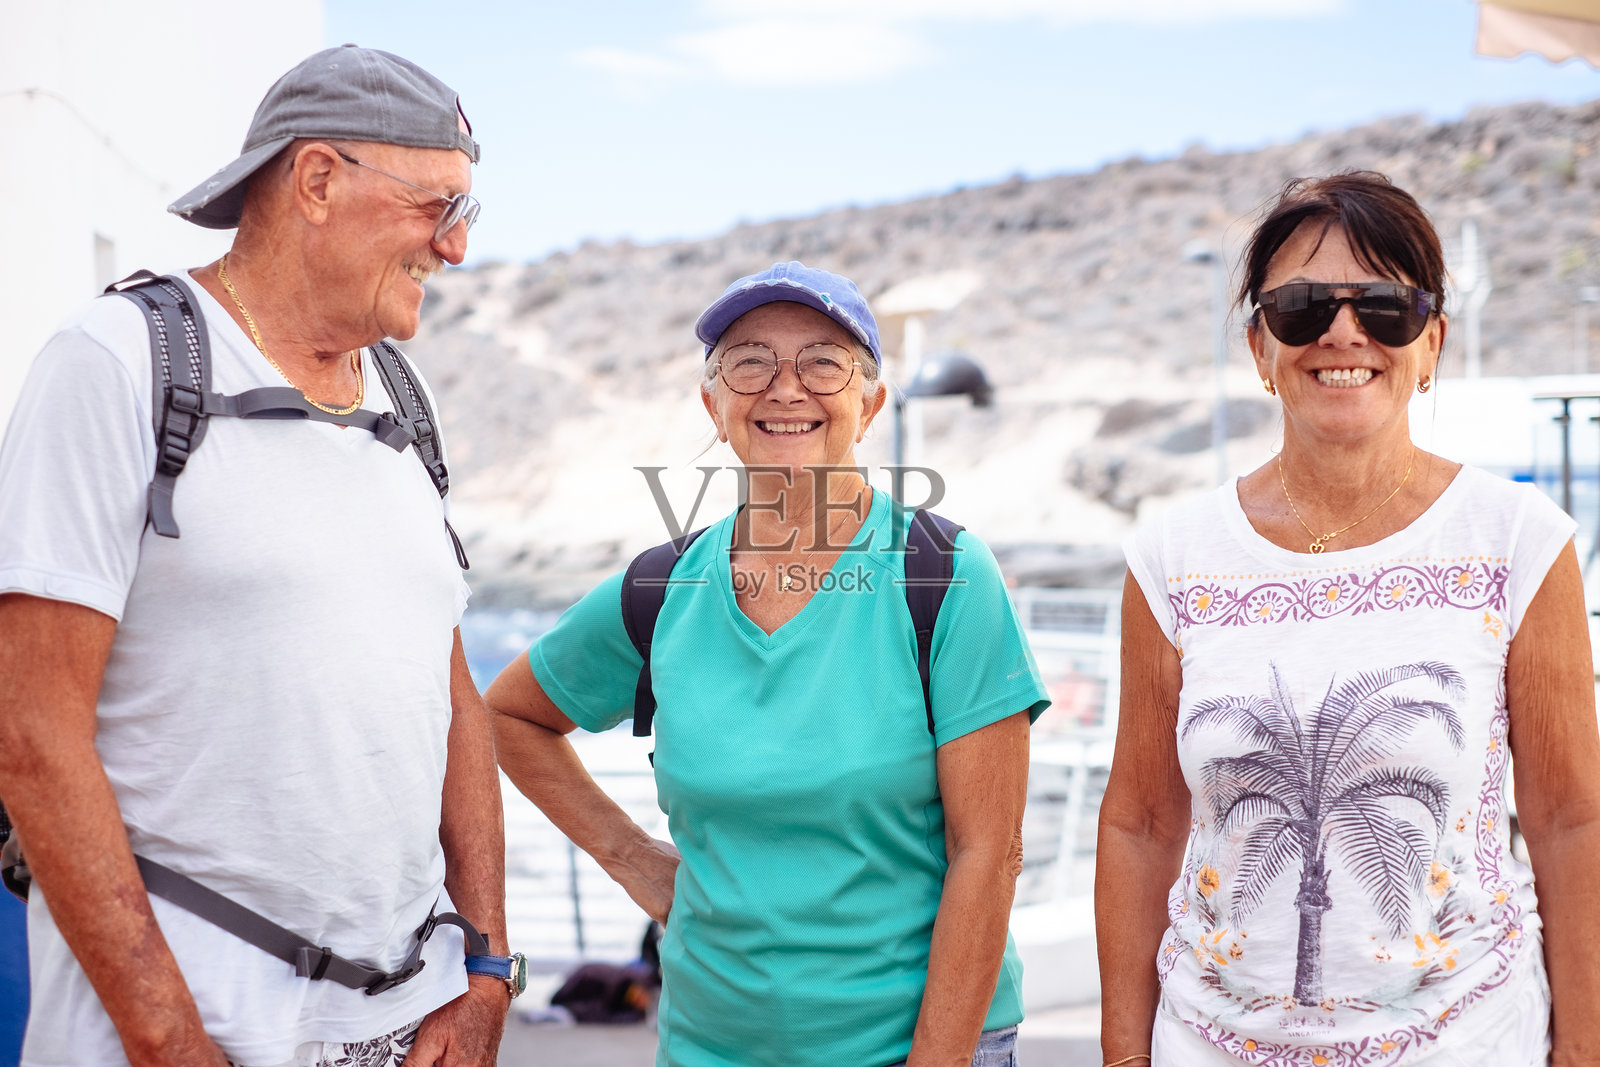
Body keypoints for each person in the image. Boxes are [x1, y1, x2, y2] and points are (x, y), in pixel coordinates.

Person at [0, 46, 515, 1067]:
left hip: (408, 1025)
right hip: (190, 1030)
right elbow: (30, 735)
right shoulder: (115, 362)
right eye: (436, 207)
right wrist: (169, 1039)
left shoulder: (404, 401)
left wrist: (489, 969)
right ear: (317, 179)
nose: (455, 250)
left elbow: (448, 693)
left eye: (468, 215)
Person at [486, 261, 1050, 1067]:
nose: (786, 388)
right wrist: (634, 858)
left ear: (871, 402)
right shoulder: (661, 587)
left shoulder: (943, 574)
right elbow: (509, 715)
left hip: (918, 1045)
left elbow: (988, 854)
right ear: (715, 405)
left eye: (824, 361)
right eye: (749, 361)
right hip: (708, 1046)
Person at [1097, 171, 1600, 1067]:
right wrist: (1124, 1055)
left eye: (1384, 307)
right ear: (1260, 346)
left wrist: (1586, 1049)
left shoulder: (1519, 542)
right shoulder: (1172, 558)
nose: (1342, 333)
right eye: (1300, 307)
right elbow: (1139, 823)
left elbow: (1569, 818)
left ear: (1432, 342)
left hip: (1471, 1043)